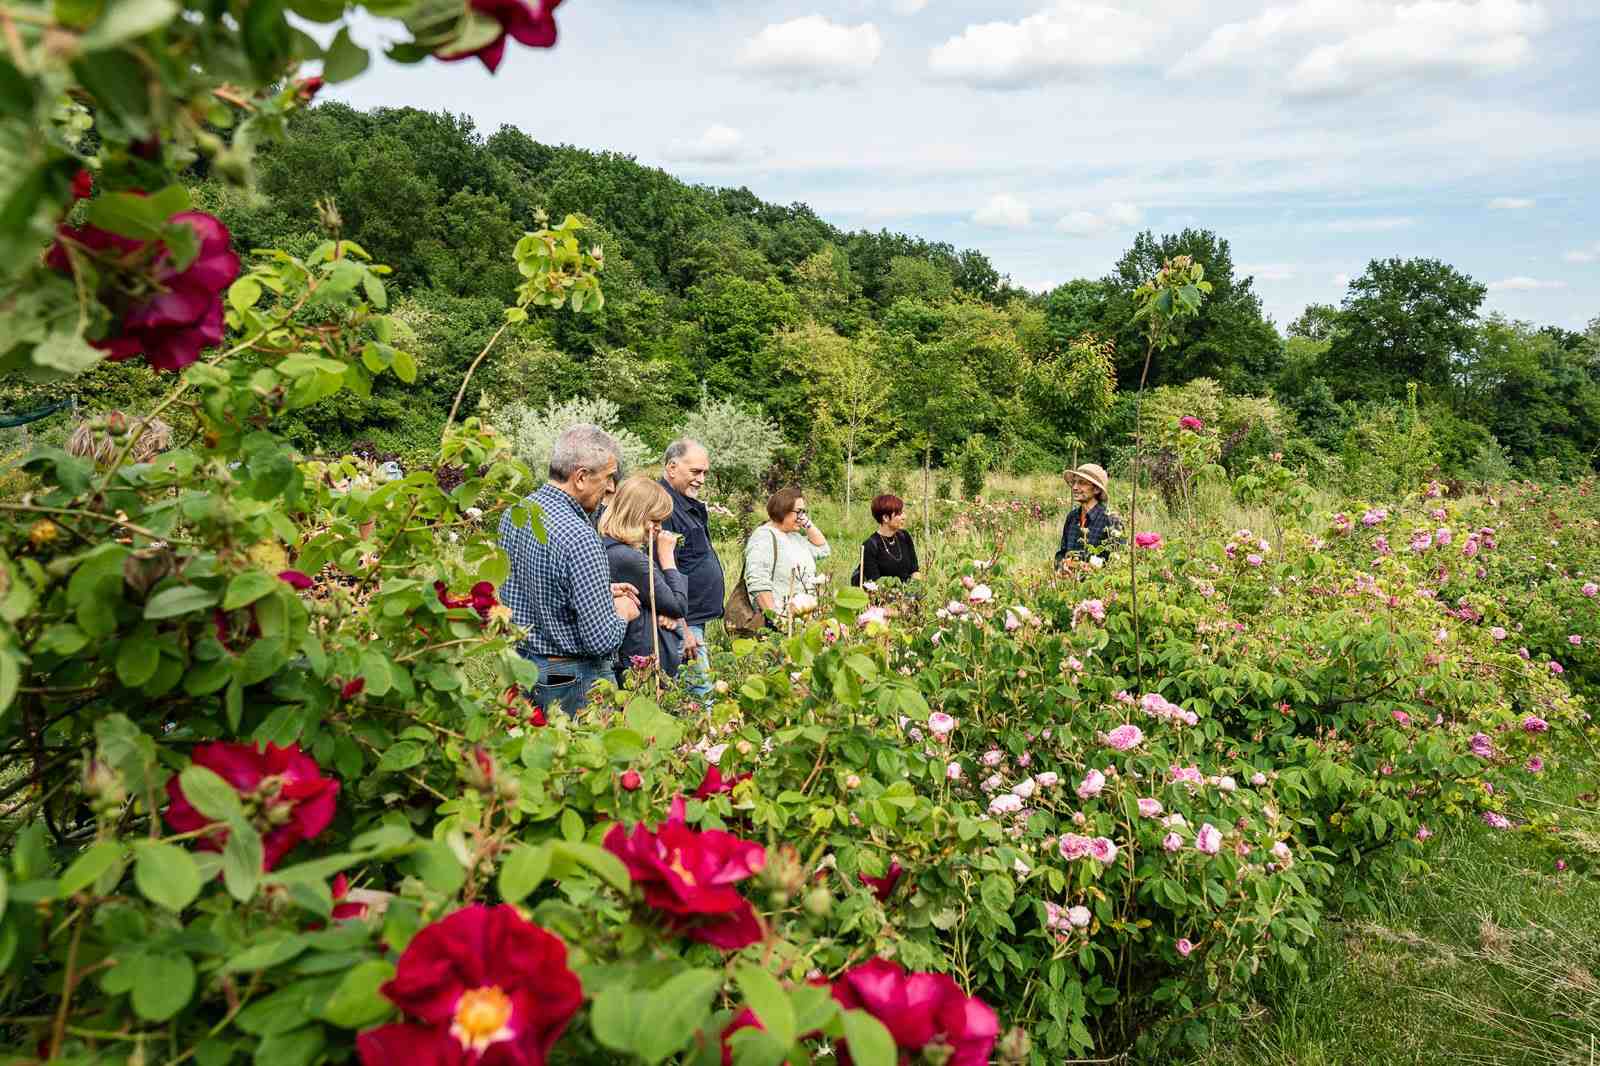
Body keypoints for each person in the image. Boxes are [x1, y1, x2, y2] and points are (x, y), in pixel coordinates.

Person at [499, 424, 641, 715]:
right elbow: (600, 640)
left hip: (524, 665)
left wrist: (599, 591)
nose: (611, 487)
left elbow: (533, 585)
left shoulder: (516, 513)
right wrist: (623, 611)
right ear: (580, 477)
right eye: (608, 477)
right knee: (586, 754)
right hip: (569, 675)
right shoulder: (580, 536)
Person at [600, 477, 689, 681]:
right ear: (635, 515)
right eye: (654, 520)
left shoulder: (609, 548)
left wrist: (662, 609)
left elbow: (662, 602)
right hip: (641, 661)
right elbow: (677, 605)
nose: (658, 528)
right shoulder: (629, 558)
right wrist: (667, 559)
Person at [658, 438, 722, 697]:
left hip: (695, 619)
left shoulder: (686, 503)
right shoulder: (663, 507)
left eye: (705, 472)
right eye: (695, 472)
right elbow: (661, 569)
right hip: (685, 620)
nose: (702, 479)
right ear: (672, 467)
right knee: (699, 693)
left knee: (697, 689)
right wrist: (683, 626)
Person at [745, 487, 830, 620]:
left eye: (804, 512)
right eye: (799, 512)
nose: (802, 517)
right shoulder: (764, 536)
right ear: (783, 510)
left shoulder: (794, 536)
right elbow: (758, 583)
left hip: (801, 620)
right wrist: (778, 620)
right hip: (780, 621)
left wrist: (807, 524)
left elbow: (823, 549)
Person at [1055, 462, 1118, 567]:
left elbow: (1115, 561)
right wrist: (1061, 566)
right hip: (1069, 582)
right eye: (1074, 482)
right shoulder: (1072, 517)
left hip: (1095, 582)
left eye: (1082, 483)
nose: (1074, 487)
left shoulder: (1111, 520)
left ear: (1096, 489)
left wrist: (1086, 562)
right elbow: (1062, 552)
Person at [854, 493, 919, 585]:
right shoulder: (870, 545)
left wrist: (916, 590)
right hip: (885, 596)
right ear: (885, 518)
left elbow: (915, 570)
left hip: (909, 595)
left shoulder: (904, 536)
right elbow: (874, 583)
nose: (904, 517)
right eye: (899, 513)